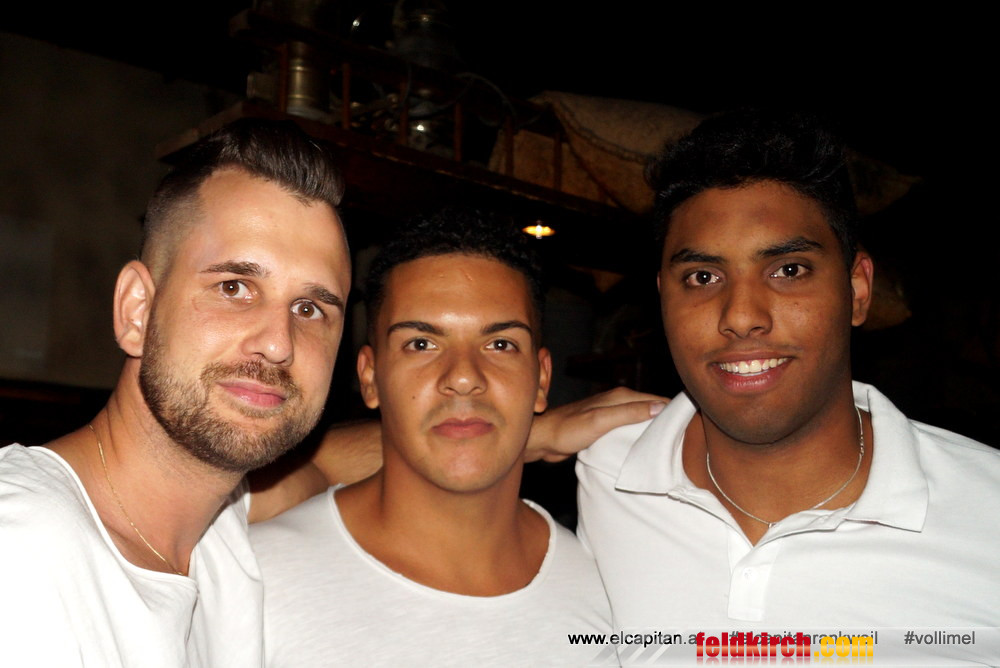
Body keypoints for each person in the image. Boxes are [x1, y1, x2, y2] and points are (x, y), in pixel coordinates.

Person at [0, 120, 659, 667]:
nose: (277, 343)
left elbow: (339, 461)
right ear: (137, 310)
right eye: (235, 287)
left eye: (310, 308)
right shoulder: (23, 550)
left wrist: (516, 431)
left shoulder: (216, 538)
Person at [576, 110, 1000, 639]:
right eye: (703, 276)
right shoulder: (609, 471)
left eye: (788, 270)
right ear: (663, 298)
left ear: (857, 290)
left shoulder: (986, 512)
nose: (740, 315)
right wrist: (523, 437)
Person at [251, 210, 613, 667]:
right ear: (370, 377)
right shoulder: (255, 578)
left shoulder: (611, 591)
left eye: (500, 344)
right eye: (421, 344)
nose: (463, 377)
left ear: (541, 379)